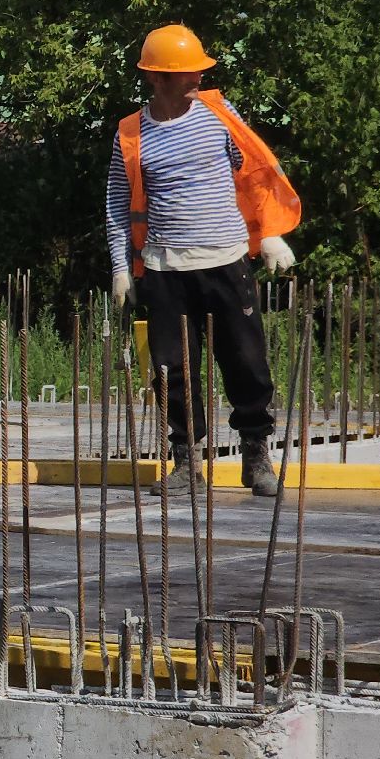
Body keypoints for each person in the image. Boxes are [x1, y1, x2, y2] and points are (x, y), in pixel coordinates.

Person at [105, 24, 301, 497]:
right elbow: (117, 200)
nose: (197, 79)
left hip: (226, 258)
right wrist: (119, 264)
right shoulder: (131, 133)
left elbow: (252, 171)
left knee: (246, 360)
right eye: (187, 73)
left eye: (198, 71)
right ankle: (186, 463)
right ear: (157, 79)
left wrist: (269, 233)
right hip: (165, 268)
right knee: (172, 368)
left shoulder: (217, 113)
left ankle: (256, 456)